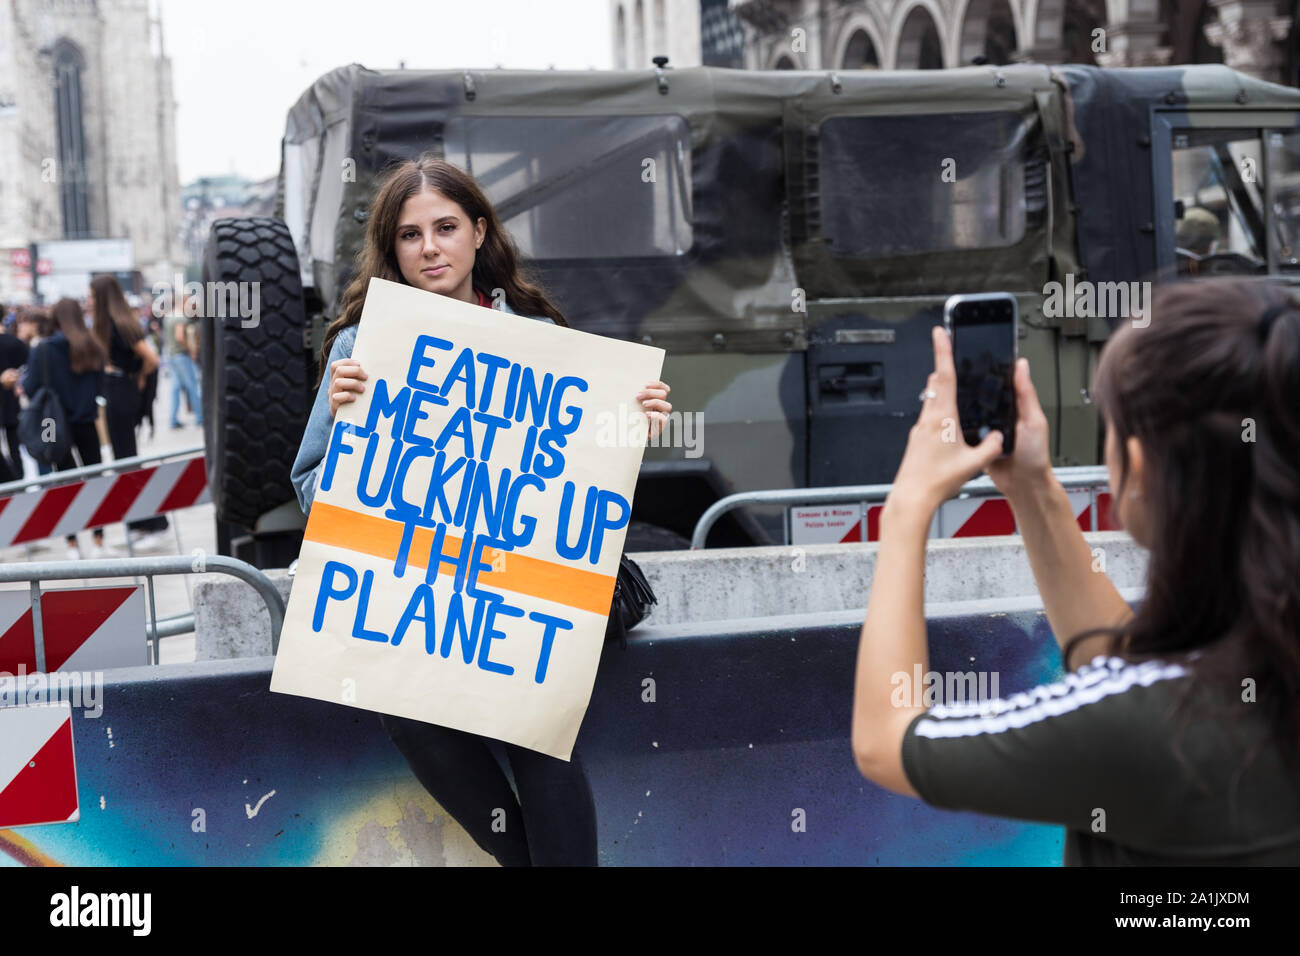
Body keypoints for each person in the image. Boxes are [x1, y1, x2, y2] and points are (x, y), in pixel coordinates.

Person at [290, 157, 673, 866]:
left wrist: (633, 425)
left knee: (536, 736)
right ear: (392, 249)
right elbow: (313, 493)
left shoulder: (537, 334)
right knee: (412, 721)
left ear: (478, 233)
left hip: (515, 595)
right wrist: (349, 426)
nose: (429, 247)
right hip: (415, 598)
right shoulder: (359, 348)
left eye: (444, 227)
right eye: (410, 235)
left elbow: (582, 484)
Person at [850, 277, 1300, 865]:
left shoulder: (1151, 725)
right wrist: (1032, 487)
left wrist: (909, 503)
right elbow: (1128, 666)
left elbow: (888, 740)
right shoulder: (1254, 665)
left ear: (1138, 467)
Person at [21, 298, 109, 558]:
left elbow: (30, 387)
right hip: (86, 420)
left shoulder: (43, 349)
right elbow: (100, 386)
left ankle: (72, 543)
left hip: (51, 423)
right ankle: (99, 539)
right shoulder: (92, 345)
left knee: (62, 481)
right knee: (95, 476)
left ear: (55, 319)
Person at [88, 275, 169, 548]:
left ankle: (156, 523)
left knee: (127, 462)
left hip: (121, 393)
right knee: (124, 460)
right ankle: (139, 522)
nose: (88, 300)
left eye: (90, 295)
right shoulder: (114, 323)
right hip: (118, 392)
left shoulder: (118, 325)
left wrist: (137, 377)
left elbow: (152, 358)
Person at [164, 298, 202, 428]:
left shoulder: (169, 316)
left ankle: (173, 420)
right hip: (181, 356)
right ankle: (200, 417)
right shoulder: (181, 318)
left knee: (175, 389)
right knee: (192, 386)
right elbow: (179, 337)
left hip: (172, 355)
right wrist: (190, 350)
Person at [0, 320, 30, 482]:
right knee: (15, 447)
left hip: (9, 404)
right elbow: (29, 367)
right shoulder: (16, 343)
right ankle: (19, 480)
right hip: (14, 404)